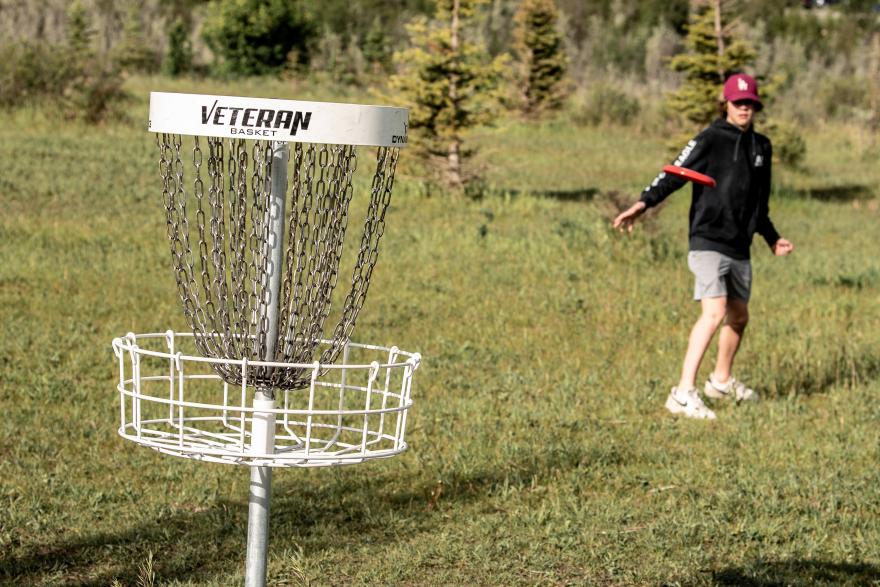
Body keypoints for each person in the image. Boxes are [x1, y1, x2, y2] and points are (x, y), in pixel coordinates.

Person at [612, 73, 794, 420]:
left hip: (739, 244)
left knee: (739, 316)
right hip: (708, 239)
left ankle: (720, 381)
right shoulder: (710, 139)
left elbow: (759, 204)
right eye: (738, 102)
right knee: (714, 312)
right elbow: (675, 172)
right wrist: (643, 203)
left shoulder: (762, 147)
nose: (744, 108)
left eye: (750, 103)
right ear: (725, 103)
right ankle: (682, 394)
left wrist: (771, 238)